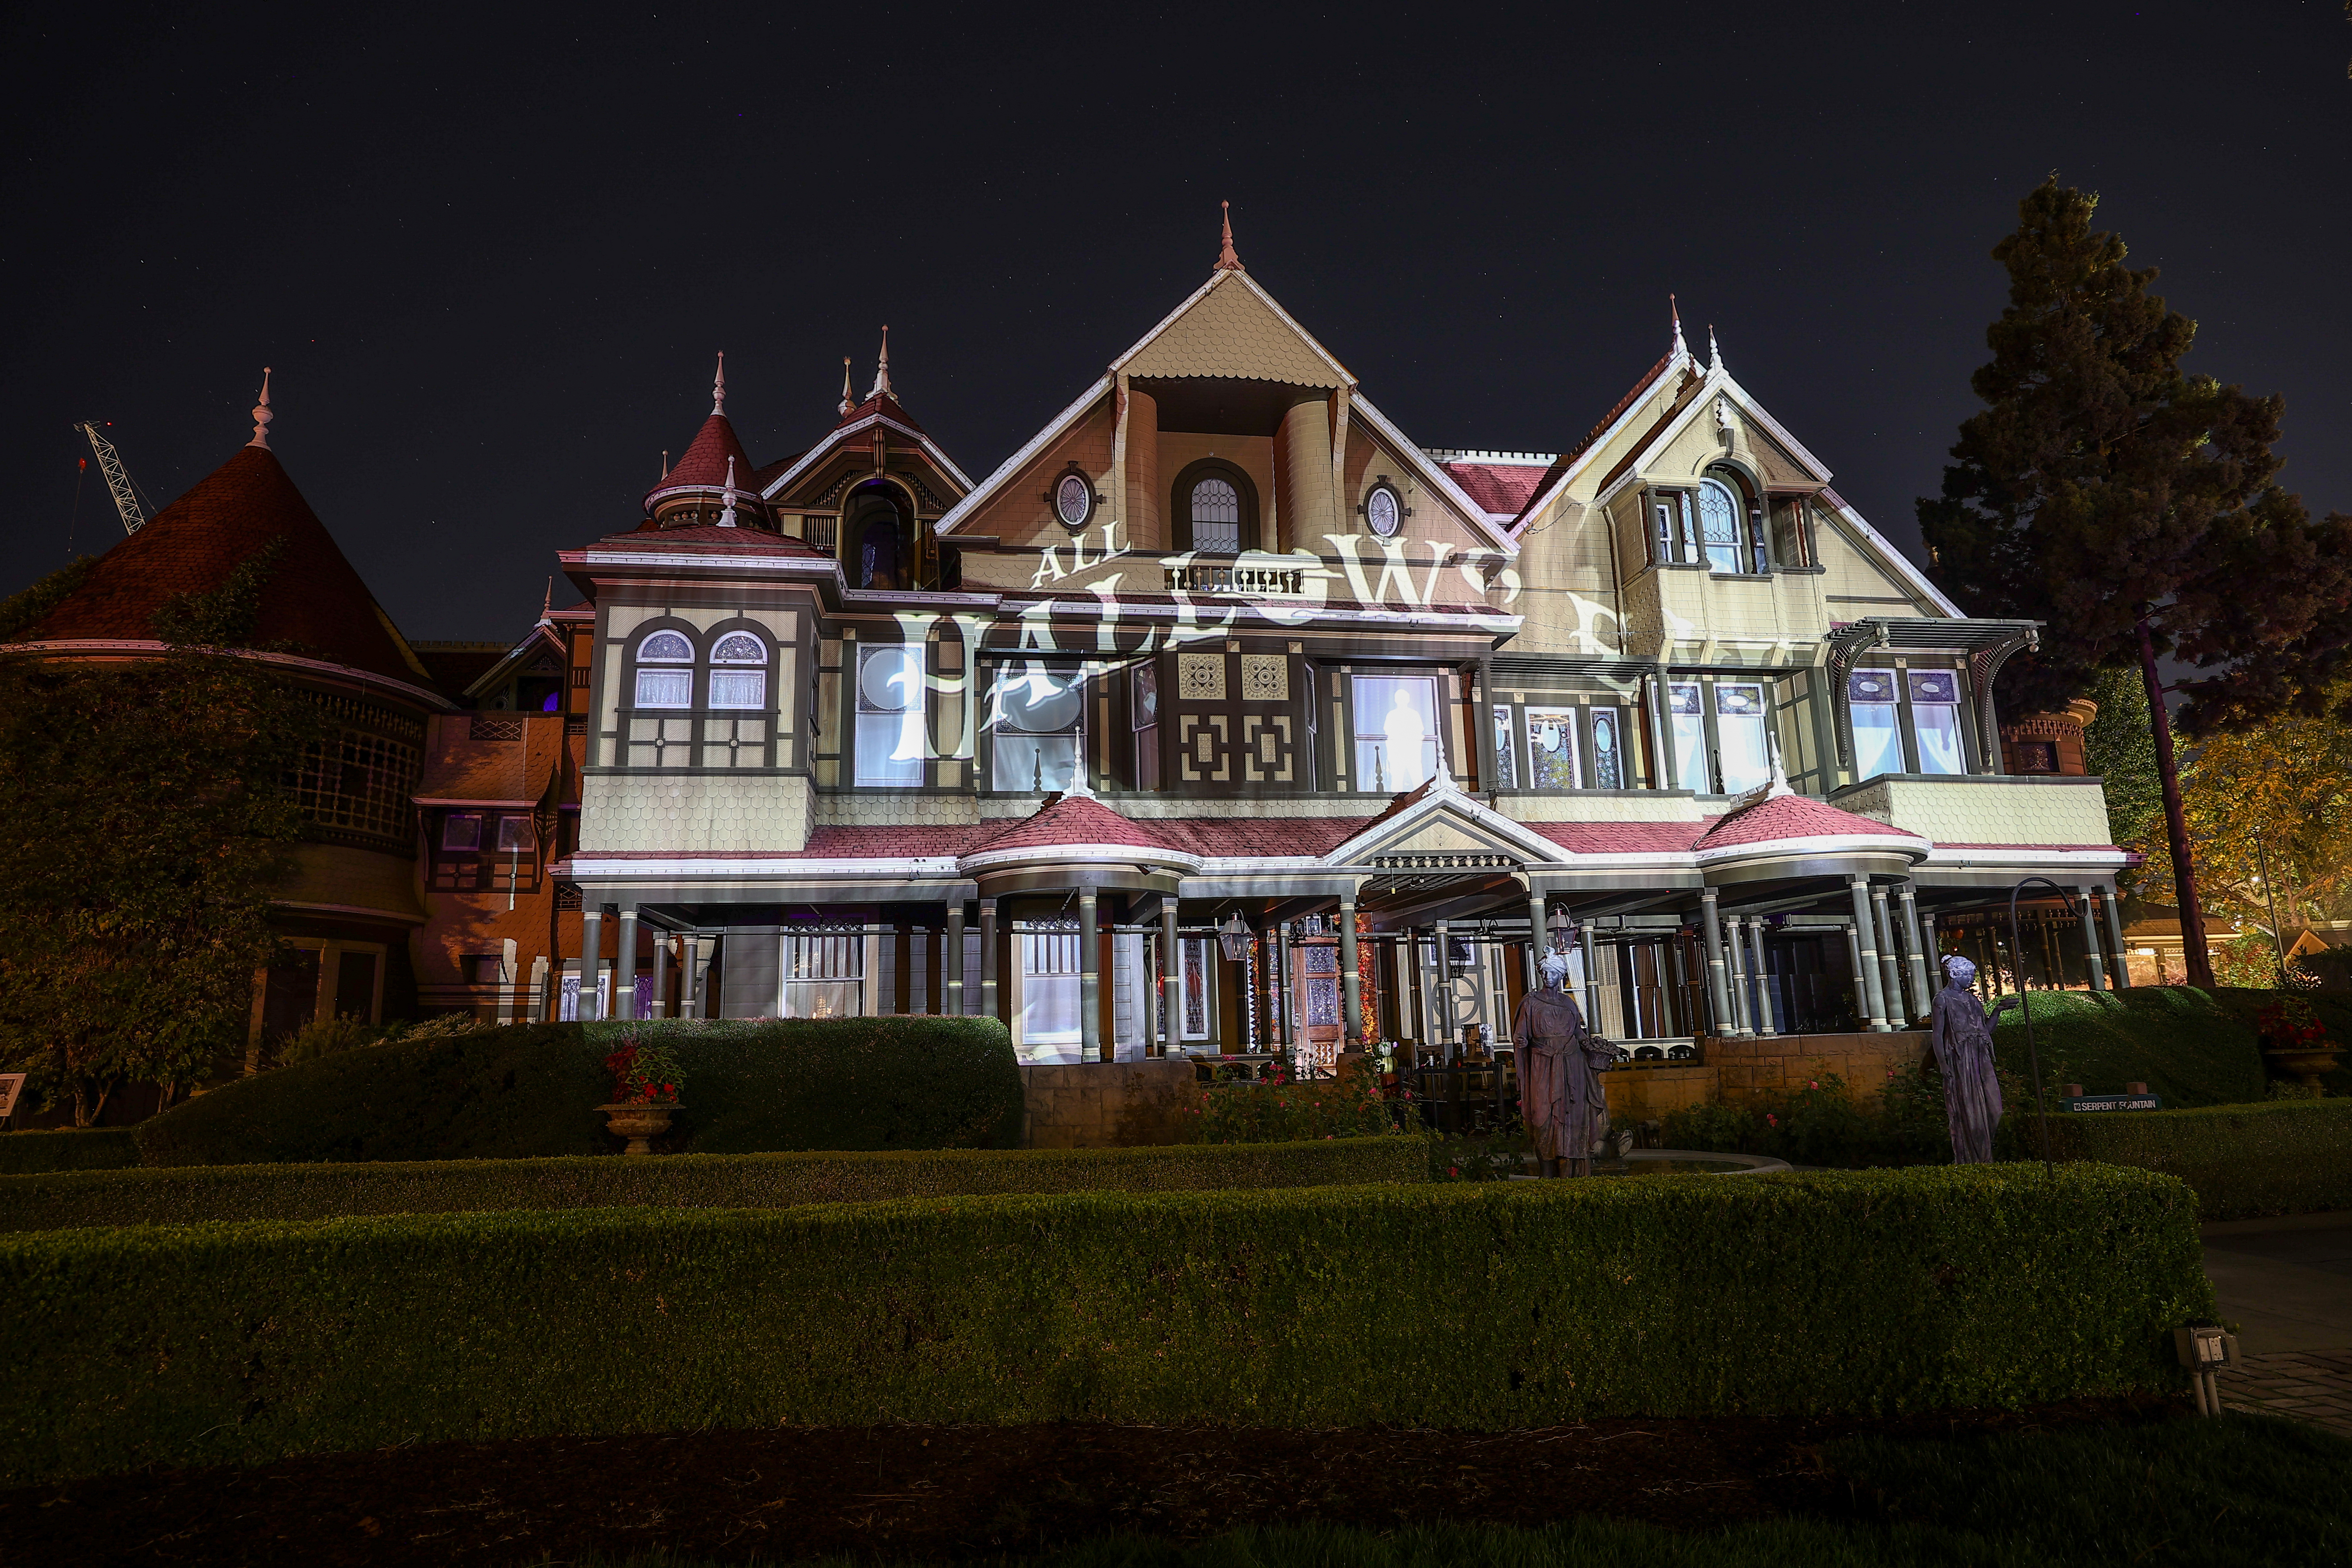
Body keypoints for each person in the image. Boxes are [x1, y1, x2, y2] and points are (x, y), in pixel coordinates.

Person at [1511, 950, 1613, 1176]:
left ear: (1561, 976)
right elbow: (1521, 1035)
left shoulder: (1568, 1003)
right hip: (1543, 1066)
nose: (1548, 976)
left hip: (1572, 1065)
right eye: (1545, 972)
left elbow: (1578, 1033)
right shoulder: (1530, 1003)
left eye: (1553, 973)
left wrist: (1594, 1046)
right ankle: (1546, 1171)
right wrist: (1521, 1040)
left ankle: (1570, 1170)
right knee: (1543, 1117)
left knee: (1573, 1116)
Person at [1929, 953, 2003, 1163]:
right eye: (1968, 975)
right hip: (1962, 1059)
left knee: (1994, 1108)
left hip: (1981, 1056)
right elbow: (1937, 1034)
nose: (1972, 979)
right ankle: (1973, 1158)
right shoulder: (1942, 1000)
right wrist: (1943, 1064)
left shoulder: (1972, 999)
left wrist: (1997, 1011)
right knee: (1970, 1110)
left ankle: (1986, 1154)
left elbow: (1985, 1030)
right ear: (1955, 975)